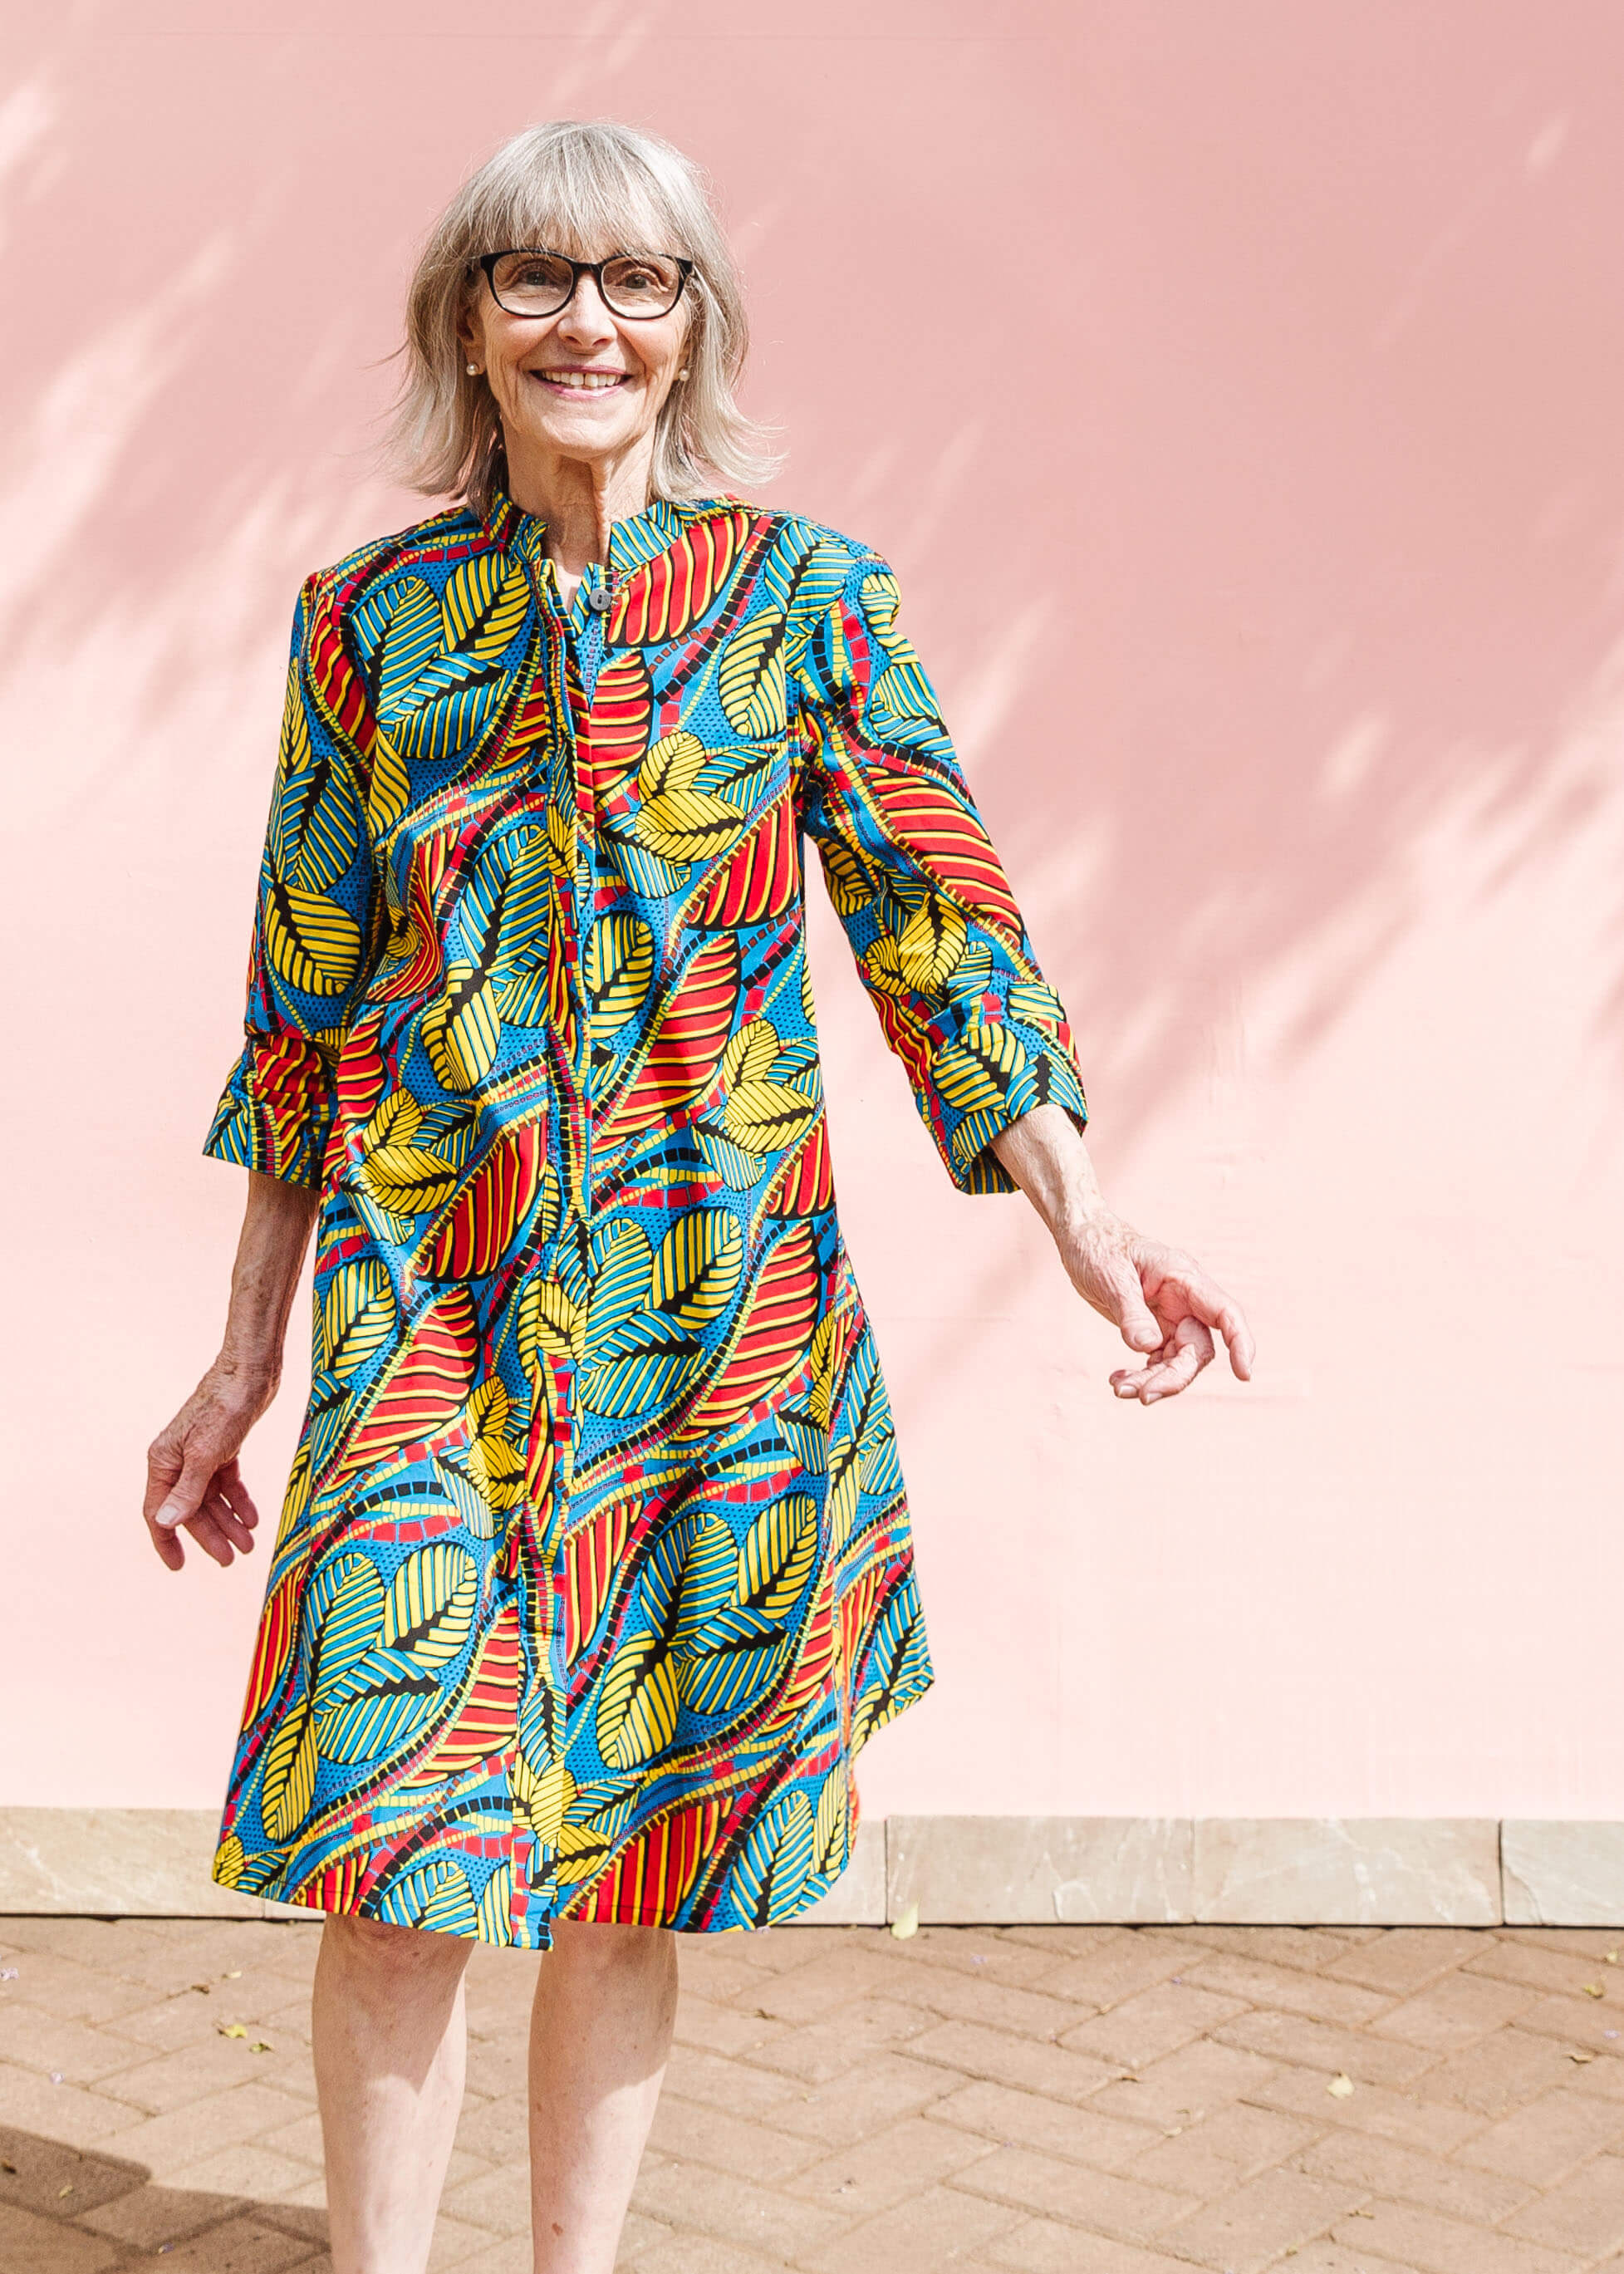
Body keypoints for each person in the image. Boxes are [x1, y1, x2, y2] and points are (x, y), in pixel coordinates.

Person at [143, 118, 1253, 2274]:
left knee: (634, 1853)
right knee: (392, 1848)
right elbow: (300, 1001)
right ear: (465, 324)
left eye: (635, 283)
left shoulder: (801, 604)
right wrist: (239, 1353)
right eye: (537, 278)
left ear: (692, 328)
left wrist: (1080, 1221)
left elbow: (941, 930)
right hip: (424, 1298)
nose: (586, 321)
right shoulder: (368, 625)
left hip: (705, 1322)